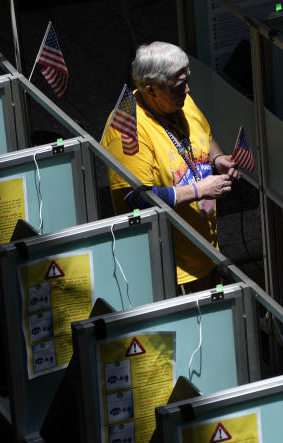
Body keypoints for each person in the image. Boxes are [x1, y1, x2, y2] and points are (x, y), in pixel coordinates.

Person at [102, 41, 240, 291]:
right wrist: (199, 190)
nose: (187, 90)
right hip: (171, 270)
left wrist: (218, 158)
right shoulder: (127, 128)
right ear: (150, 90)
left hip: (204, 251)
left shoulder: (179, 100)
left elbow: (204, 137)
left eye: (187, 81)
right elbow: (136, 198)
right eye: (178, 86)